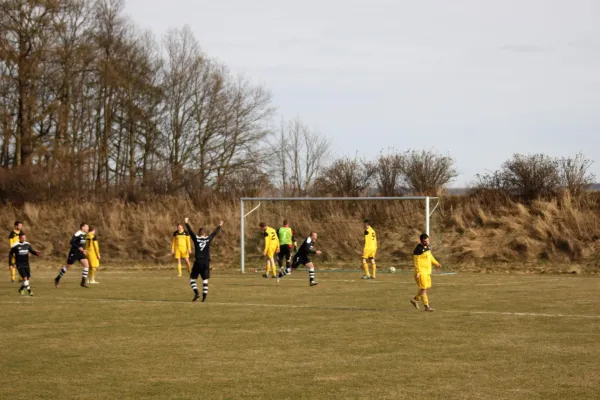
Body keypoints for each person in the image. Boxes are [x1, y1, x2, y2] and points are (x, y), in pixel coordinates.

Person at [185, 217, 223, 302]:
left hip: (198, 261)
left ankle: (196, 293)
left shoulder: (196, 239)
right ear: (205, 234)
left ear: (198, 234)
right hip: (206, 262)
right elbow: (214, 234)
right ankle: (204, 298)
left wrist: (186, 223)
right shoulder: (208, 239)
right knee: (205, 280)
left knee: (192, 278)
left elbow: (191, 232)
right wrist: (219, 225)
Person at [410, 233, 442, 312]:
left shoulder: (428, 247)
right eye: (425, 241)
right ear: (421, 241)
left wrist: (436, 263)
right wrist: (418, 272)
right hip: (421, 272)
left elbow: (430, 256)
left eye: (427, 240)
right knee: (423, 288)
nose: (426, 242)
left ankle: (415, 300)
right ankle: (426, 306)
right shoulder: (418, 249)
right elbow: (416, 262)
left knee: (427, 287)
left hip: (427, 272)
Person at [54, 223, 90, 288]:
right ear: (82, 227)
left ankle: (83, 282)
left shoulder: (85, 234)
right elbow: (71, 242)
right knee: (68, 266)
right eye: (87, 227)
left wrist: (83, 250)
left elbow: (81, 244)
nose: (88, 228)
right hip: (74, 252)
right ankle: (57, 278)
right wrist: (78, 248)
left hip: (80, 253)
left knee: (86, 265)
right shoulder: (78, 233)